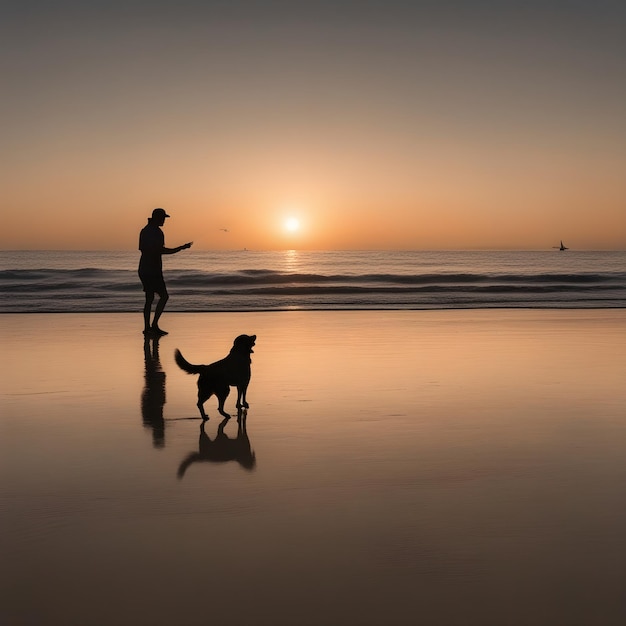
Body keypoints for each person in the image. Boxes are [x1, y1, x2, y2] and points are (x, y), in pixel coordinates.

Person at [138, 207, 192, 336]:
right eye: (163, 218)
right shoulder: (155, 232)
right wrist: (180, 248)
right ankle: (153, 325)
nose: (164, 221)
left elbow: (145, 249)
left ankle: (148, 328)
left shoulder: (145, 230)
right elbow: (159, 250)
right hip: (152, 270)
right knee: (163, 296)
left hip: (145, 268)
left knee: (149, 298)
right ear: (157, 218)